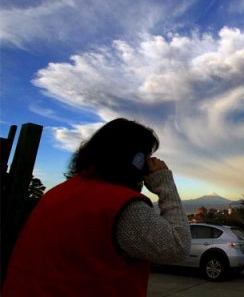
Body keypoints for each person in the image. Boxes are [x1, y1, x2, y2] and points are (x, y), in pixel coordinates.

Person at [2, 118, 191, 296]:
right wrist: (165, 183)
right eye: (147, 156)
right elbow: (178, 247)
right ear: (136, 160)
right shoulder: (122, 205)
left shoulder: (55, 195)